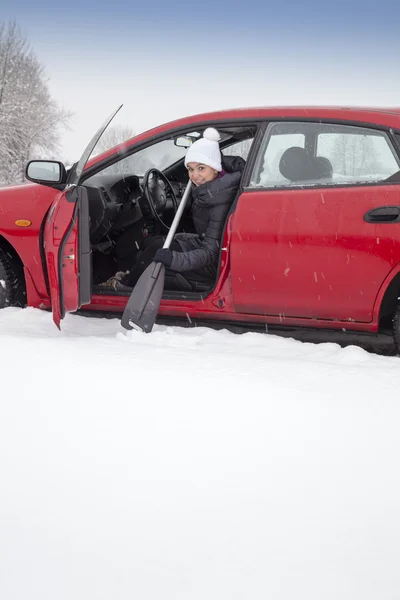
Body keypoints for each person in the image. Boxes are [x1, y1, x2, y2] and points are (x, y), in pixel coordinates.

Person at [108, 127, 245, 291]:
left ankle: (125, 286)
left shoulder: (219, 201)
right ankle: (132, 276)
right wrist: (180, 237)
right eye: (191, 169)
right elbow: (209, 238)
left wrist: (173, 259)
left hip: (213, 263)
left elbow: (210, 254)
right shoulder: (214, 188)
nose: (195, 176)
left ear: (215, 167)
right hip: (209, 248)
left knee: (155, 249)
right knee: (153, 242)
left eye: (201, 168)